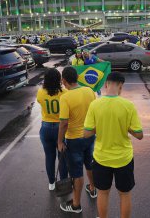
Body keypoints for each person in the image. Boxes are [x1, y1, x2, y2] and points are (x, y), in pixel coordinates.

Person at [84, 72, 143, 218]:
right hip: (124, 158)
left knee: (103, 193)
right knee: (125, 194)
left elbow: (86, 133)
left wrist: (100, 126)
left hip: (101, 158)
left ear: (105, 84)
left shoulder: (95, 105)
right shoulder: (128, 106)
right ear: (121, 87)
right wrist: (126, 127)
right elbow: (139, 135)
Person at [58, 67, 97, 214]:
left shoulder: (66, 98)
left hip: (74, 139)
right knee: (89, 163)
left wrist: (60, 142)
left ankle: (75, 205)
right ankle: (93, 189)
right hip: (89, 135)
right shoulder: (89, 91)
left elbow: (63, 123)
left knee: (76, 173)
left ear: (64, 81)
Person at [36, 68, 68, 191]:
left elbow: (40, 102)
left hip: (46, 127)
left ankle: (51, 183)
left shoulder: (40, 92)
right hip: (61, 129)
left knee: (49, 157)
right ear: (59, 79)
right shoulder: (64, 93)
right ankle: (64, 182)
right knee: (62, 158)